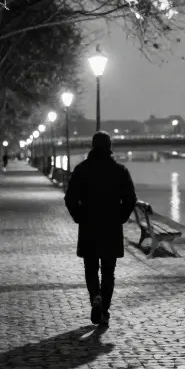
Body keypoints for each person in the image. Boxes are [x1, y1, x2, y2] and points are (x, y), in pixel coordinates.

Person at [64, 131, 137, 325]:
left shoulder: (81, 169)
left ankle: (95, 297)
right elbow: (130, 199)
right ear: (109, 147)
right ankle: (104, 307)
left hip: (89, 225)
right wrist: (120, 217)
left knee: (90, 268)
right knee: (108, 271)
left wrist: (79, 216)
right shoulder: (120, 171)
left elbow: (70, 198)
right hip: (111, 227)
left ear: (92, 146)